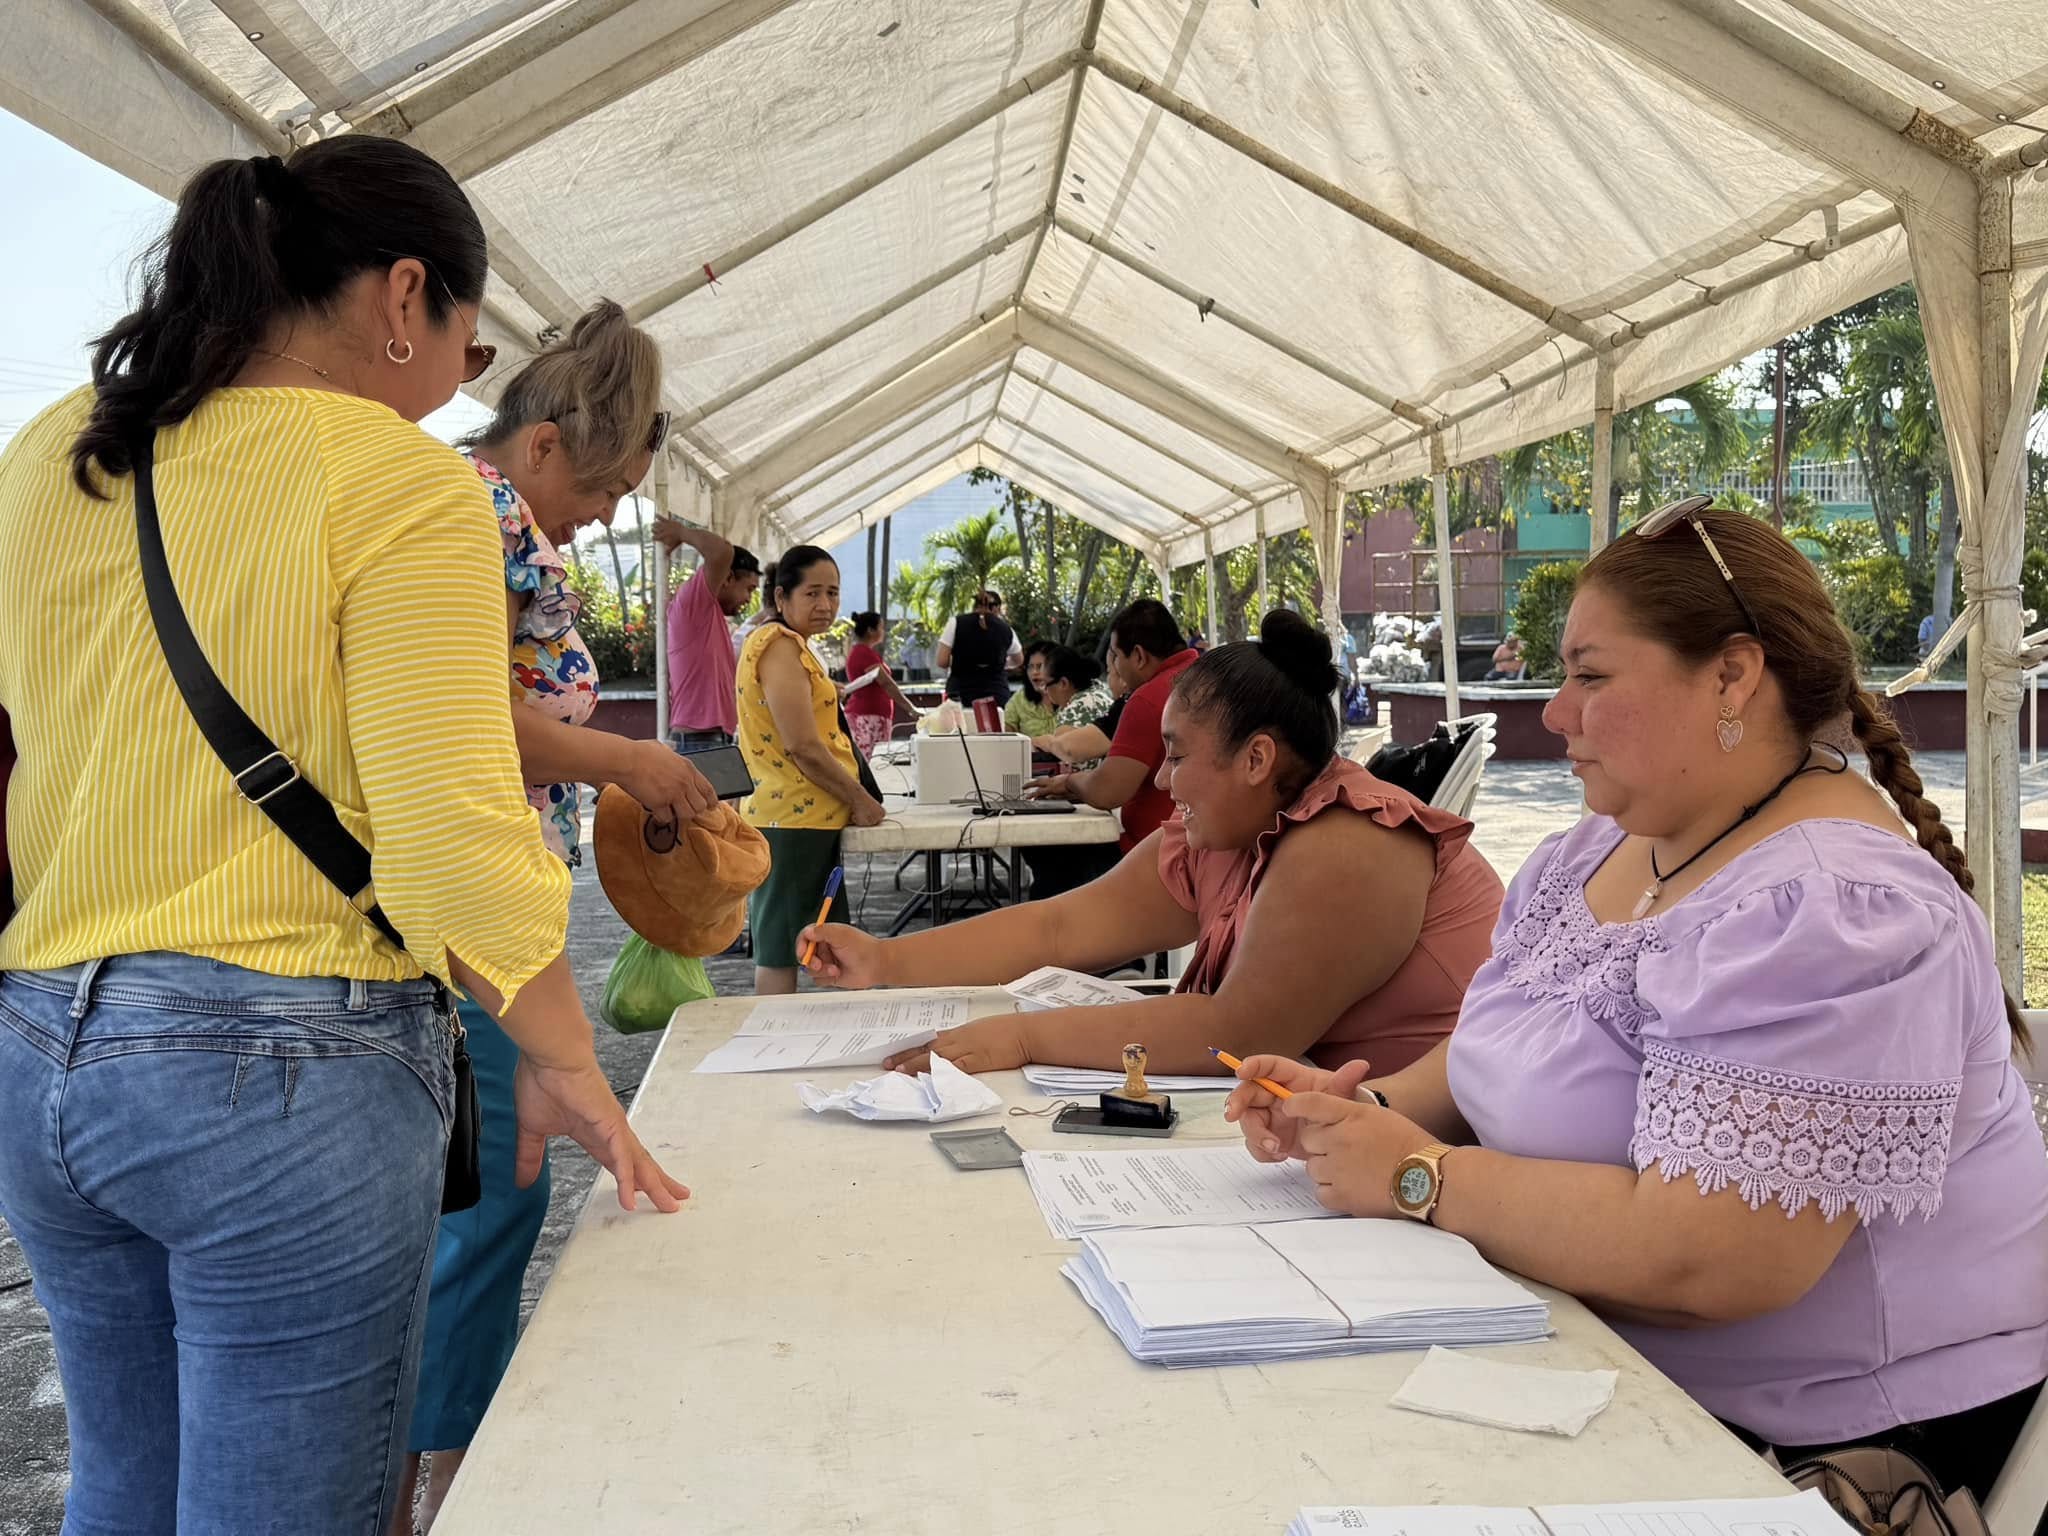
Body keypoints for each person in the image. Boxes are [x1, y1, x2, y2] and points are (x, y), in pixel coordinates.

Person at [0, 139, 685, 1534]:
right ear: (403, 295)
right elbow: (450, 837)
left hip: (41, 1051)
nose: (460, 376)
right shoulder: (398, 481)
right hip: (282, 1075)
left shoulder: (54, 452)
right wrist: (561, 1054)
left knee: (126, 1488)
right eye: (467, 342)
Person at [1223, 503, 2048, 1504]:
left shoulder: (1834, 909)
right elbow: (1507, 1043)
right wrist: (1366, 1109)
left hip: (1833, 1450)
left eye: (1589, 676)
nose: (1557, 713)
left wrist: (1416, 1178)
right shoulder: (1605, 850)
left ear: (1731, 676)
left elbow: (1712, 1259)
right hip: (1604, 1379)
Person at [395, 301, 717, 1532]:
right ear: (539, 449)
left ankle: (431, 1462)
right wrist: (615, 760)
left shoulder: (493, 520)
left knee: (495, 1193)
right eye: (604, 489)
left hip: (486, 913)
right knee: (490, 1203)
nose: (608, 515)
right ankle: (434, 1479)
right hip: (467, 920)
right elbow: (461, 709)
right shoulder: (466, 517)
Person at [801, 612, 1505, 1078]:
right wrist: (886, 959)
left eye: (1176, 753)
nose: (1162, 778)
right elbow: (1061, 924)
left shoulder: (1351, 841)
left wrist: (1020, 1039)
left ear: (1256, 760)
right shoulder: (1234, 823)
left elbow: (1238, 1031)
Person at [736, 547, 886, 994]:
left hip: (800, 819)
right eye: (813, 593)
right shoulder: (779, 646)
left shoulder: (787, 644)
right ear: (782, 596)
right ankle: (773, 1048)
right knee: (783, 950)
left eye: (833, 593)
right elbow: (802, 745)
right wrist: (861, 799)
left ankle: (808, 1049)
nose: (825, 605)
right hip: (792, 820)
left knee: (817, 948)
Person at [1029, 598, 1196, 853]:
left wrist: (1070, 782)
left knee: (1045, 853)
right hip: (1199, 846)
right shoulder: (1207, 676)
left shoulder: (1148, 699)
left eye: (1116, 657)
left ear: (1138, 656)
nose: (1115, 669)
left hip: (1156, 854)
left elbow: (1108, 791)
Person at [655, 518, 761, 750]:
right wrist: (681, 532)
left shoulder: (711, 616)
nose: (748, 599)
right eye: (749, 589)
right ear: (728, 578)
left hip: (712, 739)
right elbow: (722, 551)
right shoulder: (693, 603)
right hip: (699, 741)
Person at [843, 610, 919, 758]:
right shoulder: (864, 653)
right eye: (881, 627)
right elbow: (886, 683)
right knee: (872, 762)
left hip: (870, 715)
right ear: (871, 630)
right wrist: (910, 708)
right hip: (868, 717)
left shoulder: (864, 652)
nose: (883, 632)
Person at [1029, 646, 1116, 769]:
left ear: (1063, 683)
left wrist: (1047, 741)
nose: (1044, 691)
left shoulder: (1075, 709)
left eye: (1045, 684)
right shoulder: (1101, 690)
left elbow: (1064, 753)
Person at [936, 589, 1020, 706]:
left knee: (962, 724)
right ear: (996, 608)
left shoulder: (955, 623)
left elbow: (942, 661)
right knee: (995, 723)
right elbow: (1019, 659)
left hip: (961, 692)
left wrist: (960, 661)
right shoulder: (1005, 629)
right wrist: (1001, 663)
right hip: (996, 693)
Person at [1004, 640, 1060, 737]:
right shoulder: (1019, 698)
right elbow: (1006, 734)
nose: (1034, 672)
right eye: (1030, 667)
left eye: (1040, 666)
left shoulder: (1072, 695)